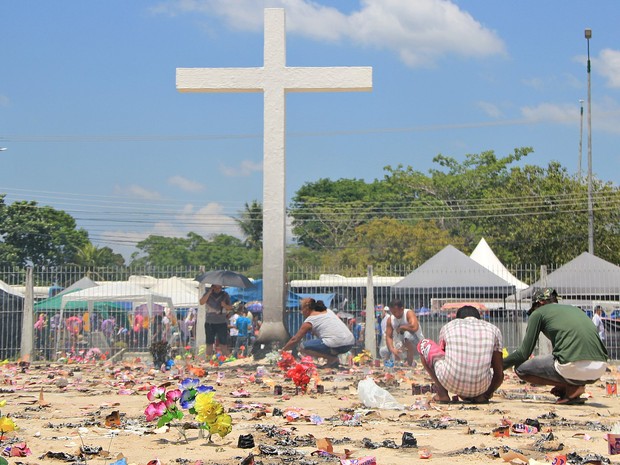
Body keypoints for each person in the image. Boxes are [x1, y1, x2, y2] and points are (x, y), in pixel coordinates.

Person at [503, 288, 608, 405]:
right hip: (598, 369)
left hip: (572, 366)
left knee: (520, 368)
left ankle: (571, 387)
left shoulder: (538, 313)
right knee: (560, 360)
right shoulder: (575, 310)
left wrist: (497, 367)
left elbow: (523, 353)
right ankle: (571, 388)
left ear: (540, 303)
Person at [417, 305, 504, 403]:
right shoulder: (493, 329)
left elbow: (444, 355)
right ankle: (477, 395)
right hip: (481, 387)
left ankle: (442, 393)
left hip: (449, 381)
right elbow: (499, 374)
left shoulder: (449, 326)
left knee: (423, 344)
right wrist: (486, 395)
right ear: (479, 319)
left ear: (458, 318)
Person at [282, 298, 355, 368]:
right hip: (350, 343)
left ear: (307, 309)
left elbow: (295, 339)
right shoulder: (328, 311)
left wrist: (283, 351)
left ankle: (331, 359)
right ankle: (332, 360)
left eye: (302, 309)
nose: (302, 312)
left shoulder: (310, 320)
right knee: (325, 342)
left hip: (336, 343)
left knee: (303, 347)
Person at [382, 299, 423, 366]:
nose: (394, 314)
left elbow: (414, 327)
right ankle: (403, 361)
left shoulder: (408, 313)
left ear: (402, 309)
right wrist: (393, 349)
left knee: (407, 335)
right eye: (392, 312)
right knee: (383, 351)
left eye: (395, 312)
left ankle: (410, 363)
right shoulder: (390, 319)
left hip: (417, 345)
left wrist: (401, 328)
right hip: (402, 346)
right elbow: (388, 336)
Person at [199, 284, 233, 356]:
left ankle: (225, 358)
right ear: (212, 287)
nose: (217, 289)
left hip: (221, 322)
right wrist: (209, 292)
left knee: (223, 343)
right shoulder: (208, 294)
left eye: (219, 287)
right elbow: (201, 302)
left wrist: (225, 305)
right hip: (210, 322)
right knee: (209, 343)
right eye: (216, 287)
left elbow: (230, 307)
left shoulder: (225, 295)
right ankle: (208, 359)